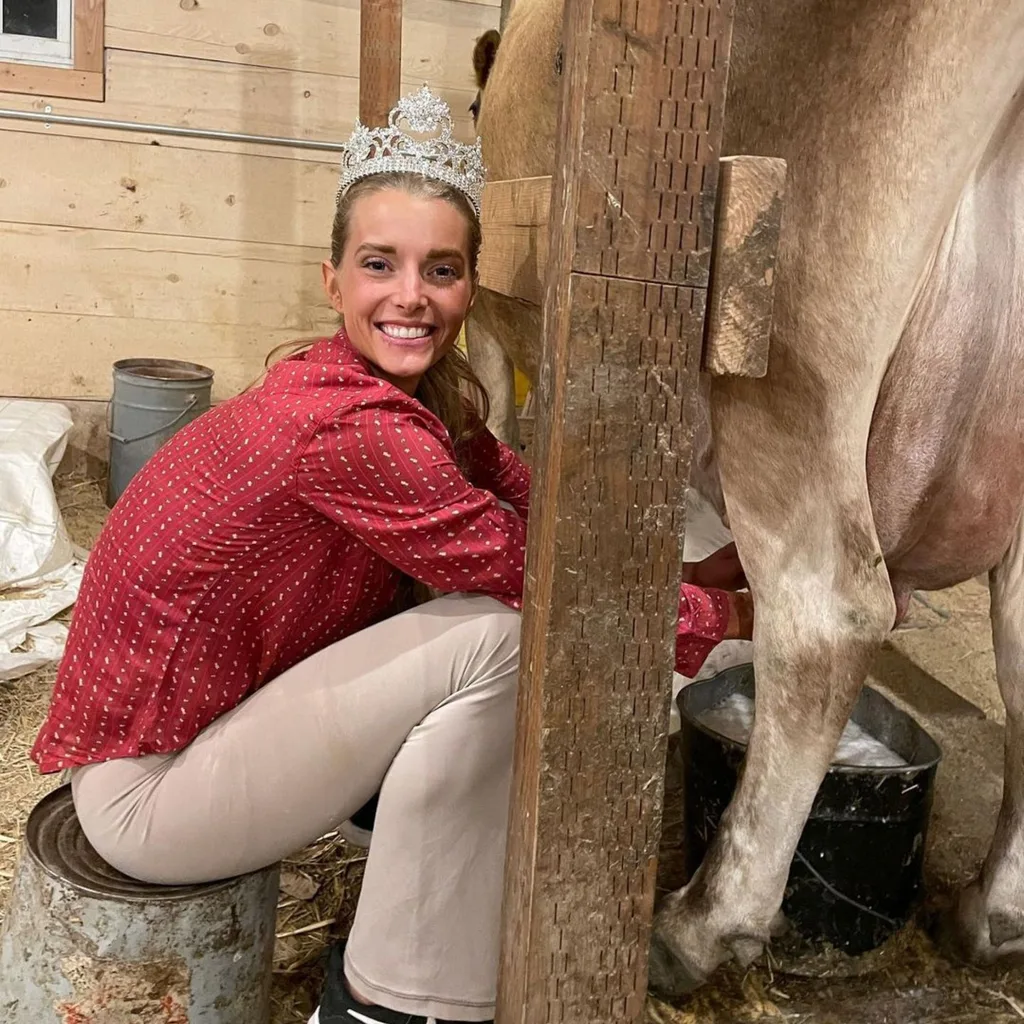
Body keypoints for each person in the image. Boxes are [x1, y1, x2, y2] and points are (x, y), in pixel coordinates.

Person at [30, 87, 753, 1024]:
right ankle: (388, 1005)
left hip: (190, 746)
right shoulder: (355, 429)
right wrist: (727, 619)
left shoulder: (387, 390)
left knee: (484, 616)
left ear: (469, 286)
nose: (411, 295)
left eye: (441, 270)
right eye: (381, 264)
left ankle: (403, 863)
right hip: (148, 798)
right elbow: (541, 578)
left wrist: (681, 570)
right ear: (333, 280)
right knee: (502, 633)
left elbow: (535, 509)